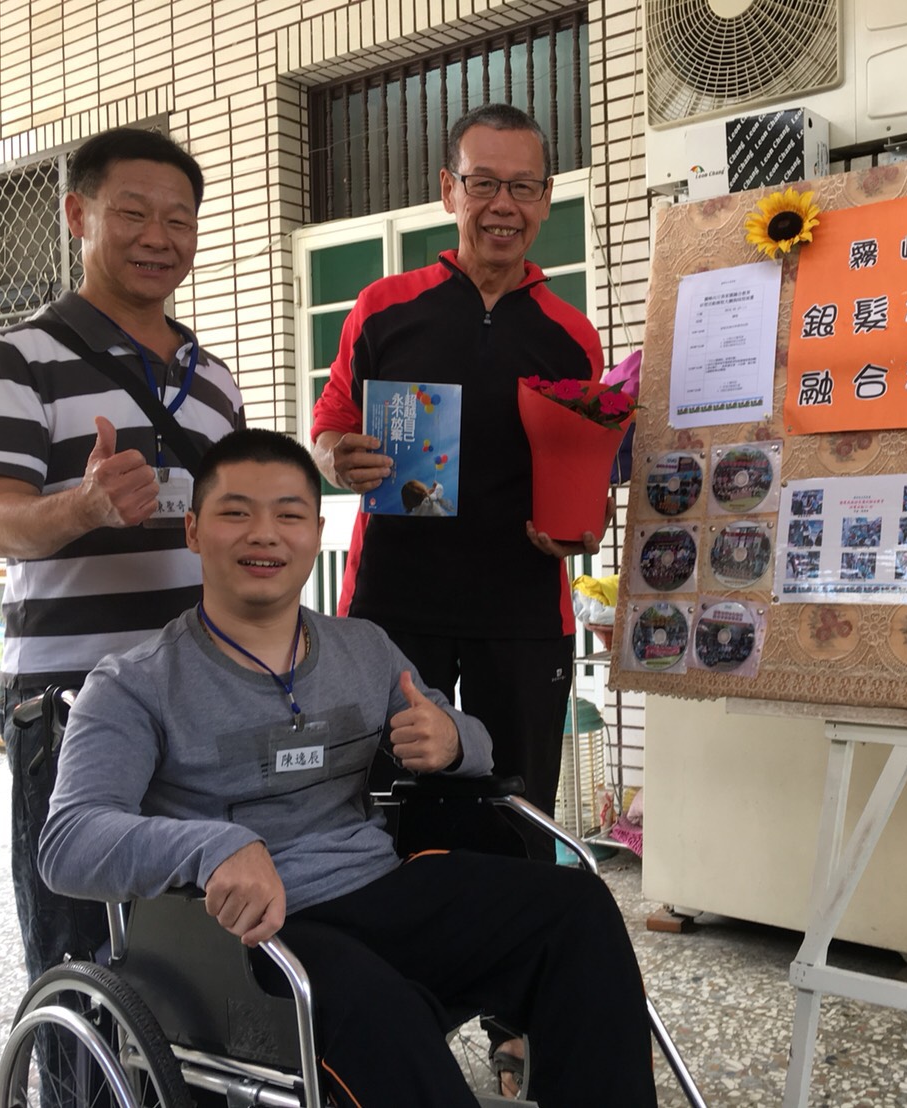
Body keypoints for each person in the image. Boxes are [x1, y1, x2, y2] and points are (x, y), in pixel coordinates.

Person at [38, 429, 658, 1107]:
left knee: (575, 911)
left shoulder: (363, 649)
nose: (264, 534)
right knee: (381, 1013)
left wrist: (451, 739)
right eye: (236, 512)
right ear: (193, 530)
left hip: (376, 889)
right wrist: (210, 847)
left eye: (289, 514)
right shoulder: (136, 683)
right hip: (243, 938)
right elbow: (69, 841)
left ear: (316, 532)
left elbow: (475, 742)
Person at [0, 126, 245, 989]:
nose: (160, 237)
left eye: (179, 220)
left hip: (200, 695)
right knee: (80, 944)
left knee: (198, 943)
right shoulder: (16, 359)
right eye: (133, 213)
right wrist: (84, 507)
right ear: (78, 215)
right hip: (70, 700)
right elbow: (0, 524)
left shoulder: (214, 378)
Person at [310, 103, 604, 854]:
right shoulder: (383, 309)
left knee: (517, 810)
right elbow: (329, 422)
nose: (504, 205)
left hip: (524, 609)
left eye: (524, 186)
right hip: (395, 606)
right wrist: (335, 455)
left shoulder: (572, 336)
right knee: (389, 811)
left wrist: (586, 525)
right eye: (483, 183)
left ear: (546, 198)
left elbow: (585, 462)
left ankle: (512, 925)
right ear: (449, 190)